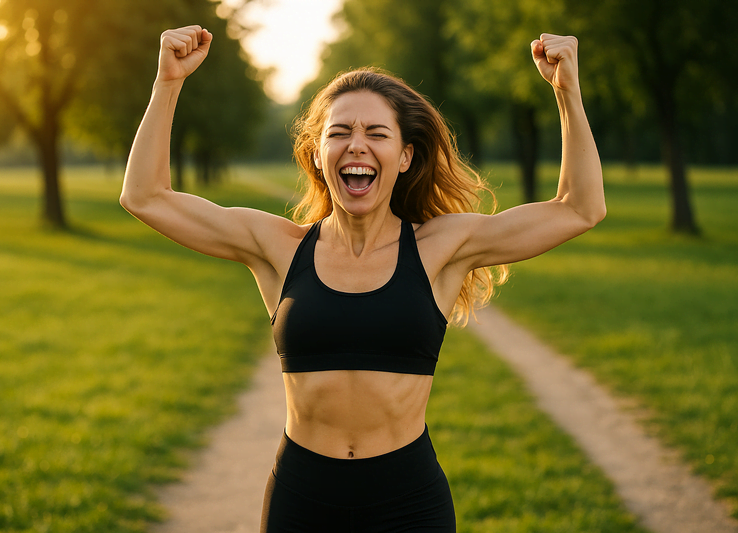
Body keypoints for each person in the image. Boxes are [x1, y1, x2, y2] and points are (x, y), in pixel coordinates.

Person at [121, 25, 604, 533]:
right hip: (301, 502)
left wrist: (567, 91)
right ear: (316, 153)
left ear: (405, 156)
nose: (357, 146)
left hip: (409, 505)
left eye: (376, 134)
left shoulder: (441, 247)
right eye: (339, 133)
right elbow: (145, 196)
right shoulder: (278, 247)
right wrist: (167, 81)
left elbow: (580, 208)